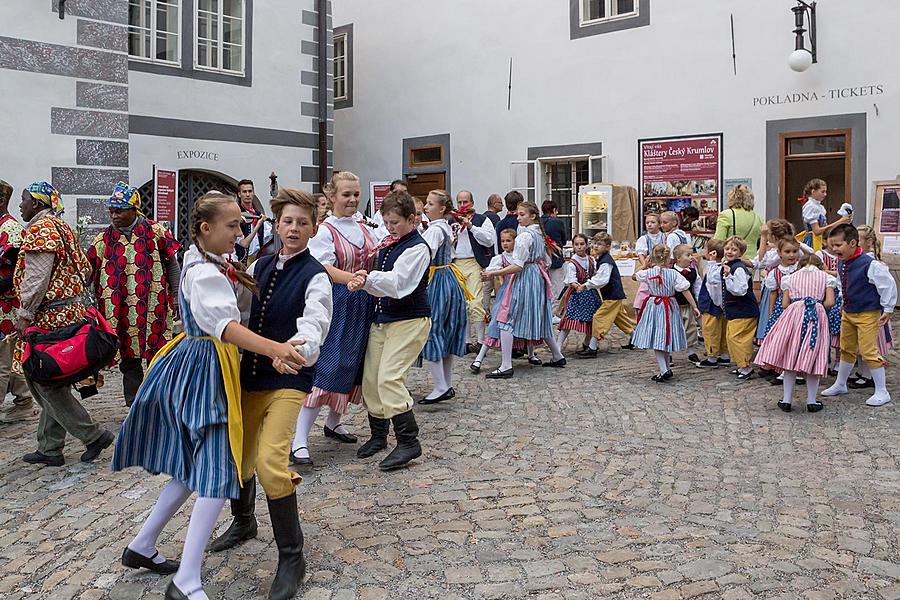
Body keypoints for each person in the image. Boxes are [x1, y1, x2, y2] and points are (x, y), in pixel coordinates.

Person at [112, 192, 306, 600]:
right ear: (206, 229)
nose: (240, 232)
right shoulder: (203, 272)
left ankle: (142, 546)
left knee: (191, 471)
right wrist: (276, 349)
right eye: (233, 225)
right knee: (218, 474)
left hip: (203, 362)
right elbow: (226, 328)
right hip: (206, 368)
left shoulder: (208, 261)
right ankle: (186, 580)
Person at [209, 188, 332, 600]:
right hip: (250, 375)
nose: (294, 228)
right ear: (275, 224)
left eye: (302, 222)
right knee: (238, 455)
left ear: (313, 228)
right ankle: (244, 521)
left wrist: (294, 352)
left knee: (269, 461)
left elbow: (316, 322)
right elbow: (238, 314)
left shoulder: (315, 274)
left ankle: (291, 557)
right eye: (287, 221)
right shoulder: (258, 265)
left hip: (288, 378)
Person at [14, 182, 113, 467]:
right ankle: (50, 446)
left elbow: (37, 278)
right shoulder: (62, 226)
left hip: (49, 317)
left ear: (36, 203)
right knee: (51, 378)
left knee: (44, 381)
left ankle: (92, 435)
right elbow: (82, 267)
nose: (20, 205)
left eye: (24, 200)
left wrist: (25, 314)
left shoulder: (40, 230)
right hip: (68, 311)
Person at [290, 172, 377, 467]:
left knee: (352, 364)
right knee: (328, 364)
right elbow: (323, 266)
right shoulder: (326, 231)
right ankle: (299, 438)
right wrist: (354, 278)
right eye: (346, 195)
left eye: (356, 194)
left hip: (362, 302)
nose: (352, 200)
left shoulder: (363, 226)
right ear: (331, 198)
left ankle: (334, 422)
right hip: (338, 301)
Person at [348, 190, 432, 470]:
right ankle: (379, 435)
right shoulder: (388, 242)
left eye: (395, 222)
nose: (390, 227)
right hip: (383, 319)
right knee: (371, 379)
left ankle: (409, 441)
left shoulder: (417, 248)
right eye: (387, 222)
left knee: (389, 378)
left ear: (411, 219)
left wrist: (367, 279)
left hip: (409, 320)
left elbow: (399, 284)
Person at [87, 182, 181, 407]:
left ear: (134, 210)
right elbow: (87, 271)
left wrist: (177, 296)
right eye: (111, 210)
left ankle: (159, 401)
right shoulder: (103, 240)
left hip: (153, 305)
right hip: (119, 310)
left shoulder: (155, 231)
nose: (114, 215)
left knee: (157, 354)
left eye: (119, 210)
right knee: (129, 358)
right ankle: (134, 404)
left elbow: (172, 265)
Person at [481, 201, 566, 378]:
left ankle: (506, 365)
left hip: (525, 277)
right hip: (538, 276)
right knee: (541, 317)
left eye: (522, 214)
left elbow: (517, 265)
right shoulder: (539, 234)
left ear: (532, 216)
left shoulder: (525, 236)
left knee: (507, 317)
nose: (518, 218)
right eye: (518, 214)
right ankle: (558, 355)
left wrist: (493, 273)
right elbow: (547, 261)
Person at [821, 224, 897, 406]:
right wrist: (842, 300)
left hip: (867, 313)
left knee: (869, 350)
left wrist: (887, 308)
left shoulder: (870, 264)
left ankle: (882, 390)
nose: (834, 249)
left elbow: (887, 285)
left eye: (838, 245)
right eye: (832, 245)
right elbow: (841, 283)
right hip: (849, 312)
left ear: (853, 243)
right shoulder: (842, 262)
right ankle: (840, 383)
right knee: (847, 347)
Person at [756, 253, 836, 413]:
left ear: (800, 265)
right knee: (814, 355)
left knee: (791, 355)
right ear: (820, 266)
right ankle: (812, 401)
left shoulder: (790, 278)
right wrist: (817, 303)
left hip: (793, 316)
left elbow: (785, 304)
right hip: (816, 315)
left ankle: (786, 400)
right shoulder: (826, 278)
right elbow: (830, 302)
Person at [419, 190, 470, 404]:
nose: (426, 207)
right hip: (449, 277)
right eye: (427, 203)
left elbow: (424, 254)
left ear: (442, 209)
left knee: (433, 328)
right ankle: (445, 384)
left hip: (437, 279)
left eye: (430, 204)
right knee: (446, 330)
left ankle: (441, 385)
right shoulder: (444, 227)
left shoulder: (434, 230)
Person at [631, 245, 698, 382]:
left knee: (658, 338)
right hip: (669, 306)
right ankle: (665, 368)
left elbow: (634, 276)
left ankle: (664, 369)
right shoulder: (673, 274)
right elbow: (686, 289)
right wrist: (695, 307)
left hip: (654, 306)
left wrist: (644, 265)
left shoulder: (648, 273)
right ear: (669, 259)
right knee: (665, 337)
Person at [0, 179, 33, 422]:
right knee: (8, 357)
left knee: (2, 359)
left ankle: (23, 398)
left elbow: (14, 274)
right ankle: (23, 397)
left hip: (6, 307)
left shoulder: (11, 230)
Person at [578, 232, 636, 356]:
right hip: (613, 295)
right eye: (594, 244)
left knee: (599, 317)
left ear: (608, 247)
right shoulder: (602, 259)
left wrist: (587, 285)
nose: (595, 246)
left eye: (599, 244)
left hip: (612, 296)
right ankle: (636, 339)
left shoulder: (606, 262)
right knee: (620, 318)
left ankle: (592, 347)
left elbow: (602, 279)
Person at [471, 228, 518, 373]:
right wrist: (486, 274)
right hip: (505, 294)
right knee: (495, 323)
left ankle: (530, 352)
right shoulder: (499, 258)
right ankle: (479, 358)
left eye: (508, 240)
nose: (505, 243)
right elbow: (490, 271)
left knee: (521, 321)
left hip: (520, 292)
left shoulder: (519, 257)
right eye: (502, 241)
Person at [453, 190, 495, 350]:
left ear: (472, 202)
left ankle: (480, 340)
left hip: (474, 263)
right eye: (460, 202)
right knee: (461, 304)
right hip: (456, 263)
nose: (462, 205)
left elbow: (489, 241)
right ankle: (466, 341)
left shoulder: (482, 219)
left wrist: (471, 226)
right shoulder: (452, 220)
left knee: (475, 301)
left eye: (465, 202)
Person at [721, 237, 759, 381]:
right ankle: (740, 364)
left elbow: (740, 290)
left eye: (734, 249)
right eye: (728, 248)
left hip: (744, 309)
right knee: (731, 336)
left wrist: (728, 277)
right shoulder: (729, 265)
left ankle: (746, 366)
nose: (730, 252)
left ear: (741, 253)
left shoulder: (738, 269)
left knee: (739, 338)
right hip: (735, 309)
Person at [556, 233, 601, 353]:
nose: (579, 247)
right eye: (577, 244)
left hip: (591, 294)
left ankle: (587, 343)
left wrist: (590, 284)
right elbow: (571, 280)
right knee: (568, 320)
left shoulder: (591, 260)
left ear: (586, 245)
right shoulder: (572, 263)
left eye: (582, 244)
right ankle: (558, 346)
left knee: (592, 319)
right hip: (576, 295)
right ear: (573, 246)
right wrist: (578, 286)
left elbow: (595, 274)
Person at [695, 239, 731, 368]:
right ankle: (724, 354)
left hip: (712, 304)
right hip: (722, 304)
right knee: (722, 329)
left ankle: (712, 357)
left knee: (710, 330)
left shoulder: (714, 268)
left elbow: (713, 286)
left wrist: (718, 303)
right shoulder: (724, 266)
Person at [713, 184, 763, 261]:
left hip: (731, 260)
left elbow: (718, 241)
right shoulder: (758, 218)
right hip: (751, 261)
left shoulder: (726, 215)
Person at [798, 178, 850, 252]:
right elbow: (817, 231)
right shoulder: (811, 206)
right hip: (813, 242)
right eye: (822, 192)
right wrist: (839, 221)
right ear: (813, 192)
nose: (825, 194)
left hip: (821, 240)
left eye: (825, 192)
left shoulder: (819, 207)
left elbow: (825, 228)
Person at [672, 244, 702, 364]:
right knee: (673, 329)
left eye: (691, 254)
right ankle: (668, 353)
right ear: (678, 258)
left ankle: (691, 351)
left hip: (688, 305)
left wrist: (697, 304)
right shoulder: (671, 272)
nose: (691, 258)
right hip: (673, 306)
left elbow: (697, 287)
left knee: (690, 328)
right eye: (688, 255)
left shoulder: (693, 272)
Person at [633, 213, 667, 314]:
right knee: (644, 289)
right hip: (650, 269)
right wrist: (645, 265)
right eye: (647, 222)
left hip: (663, 268)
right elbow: (640, 253)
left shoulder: (665, 237)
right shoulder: (643, 239)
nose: (649, 225)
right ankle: (641, 309)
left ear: (659, 224)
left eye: (653, 222)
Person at [235, 179, 273, 262]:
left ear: (253, 193)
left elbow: (268, 236)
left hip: (259, 258)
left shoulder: (258, 214)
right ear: (239, 194)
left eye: (250, 191)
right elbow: (242, 244)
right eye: (244, 192)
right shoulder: (236, 214)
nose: (248, 194)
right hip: (242, 260)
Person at [541, 200, 568, 316]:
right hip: (555, 259)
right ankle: (553, 312)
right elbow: (564, 240)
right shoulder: (557, 222)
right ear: (554, 210)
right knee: (557, 287)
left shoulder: (537, 222)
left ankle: (543, 311)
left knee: (543, 287)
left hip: (541, 260)